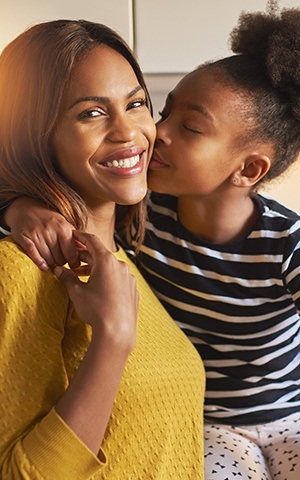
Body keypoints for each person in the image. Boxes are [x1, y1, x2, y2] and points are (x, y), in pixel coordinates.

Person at [2, 4, 300, 480]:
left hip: (286, 417)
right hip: (222, 431)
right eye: (91, 112)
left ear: (248, 170)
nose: (146, 134)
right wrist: (16, 207)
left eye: (137, 103)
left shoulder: (130, 231)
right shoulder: (54, 250)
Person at [0, 19, 206, 479]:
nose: (128, 131)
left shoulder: (129, 256)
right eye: (91, 113)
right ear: (34, 135)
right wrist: (111, 340)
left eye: (135, 104)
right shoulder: (20, 270)